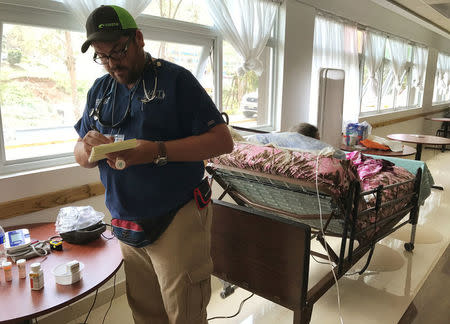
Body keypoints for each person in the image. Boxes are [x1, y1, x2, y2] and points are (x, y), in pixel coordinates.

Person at [73, 5, 233, 324]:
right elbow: (80, 151)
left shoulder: (176, 81)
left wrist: (156, 151)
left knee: (184, 312)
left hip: (177, 218)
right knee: (146, 314)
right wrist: (86, 148)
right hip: (125, 223)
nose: (112, 63)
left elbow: (222, 141)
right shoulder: (99, 91)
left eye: (118, 50)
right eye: (102, 56)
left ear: (139, 39)